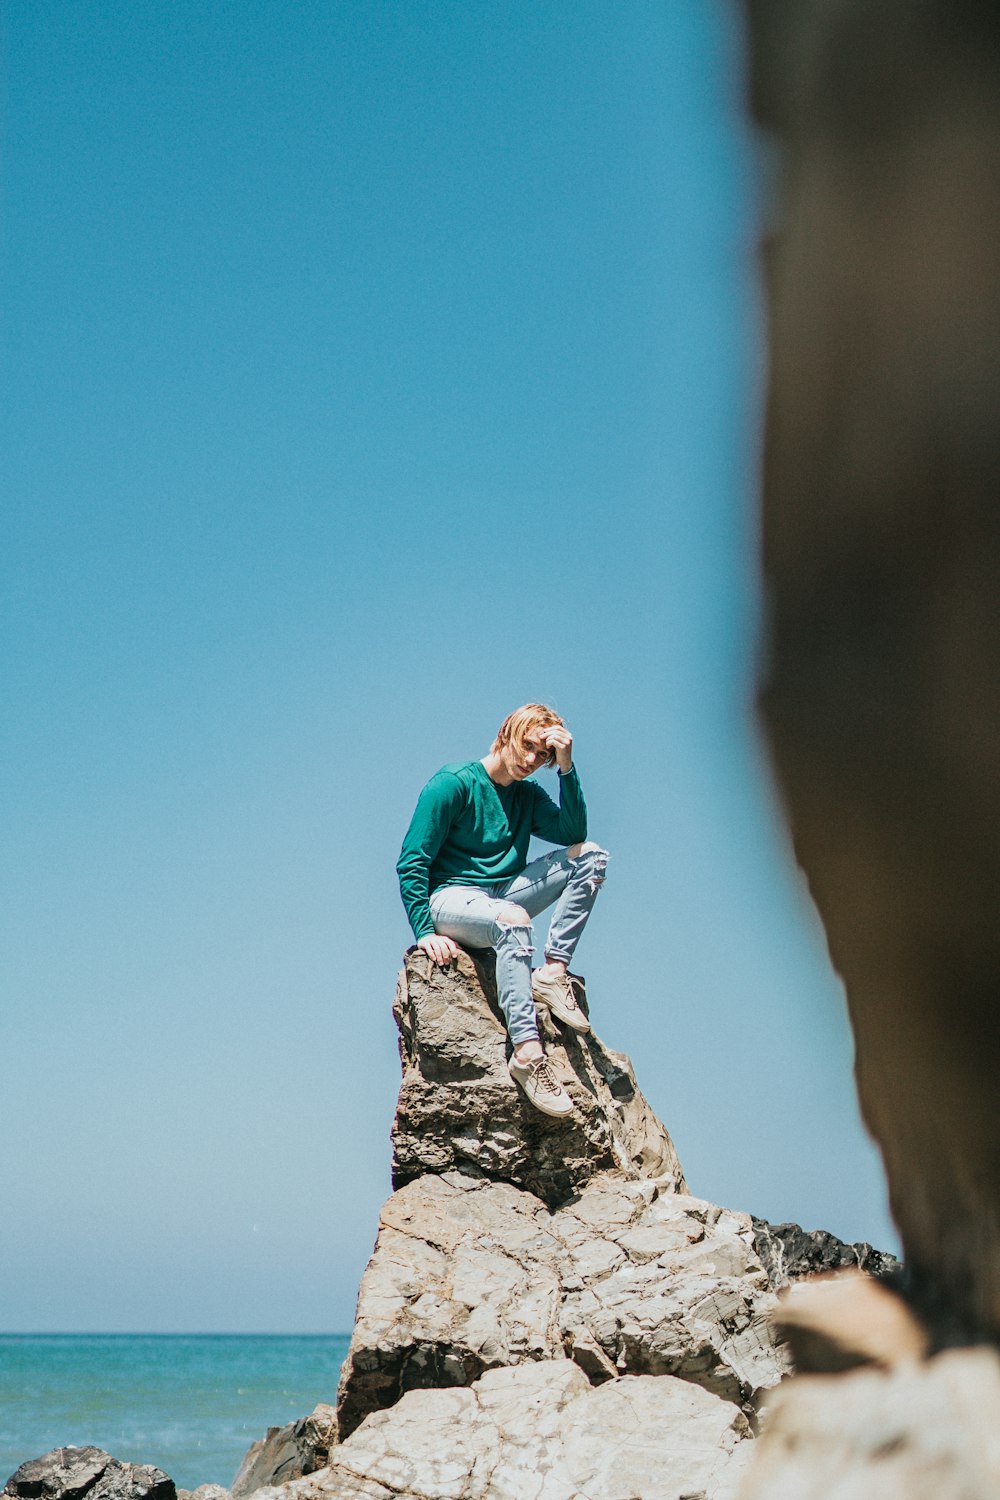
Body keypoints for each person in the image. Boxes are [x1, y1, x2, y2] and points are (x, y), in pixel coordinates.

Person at [396, 704, 609, 1117]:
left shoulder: (527, 795)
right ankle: (528, 1054)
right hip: (451, 899)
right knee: (513, 920)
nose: (532, 760)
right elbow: (412, 860)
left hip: (502, 893)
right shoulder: (453, 783)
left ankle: (552, 974)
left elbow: (572, 833)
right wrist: (424, 932)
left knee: (592, 856)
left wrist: (567, 767)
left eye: (542, 756)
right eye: (528, 746)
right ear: (506, 734)